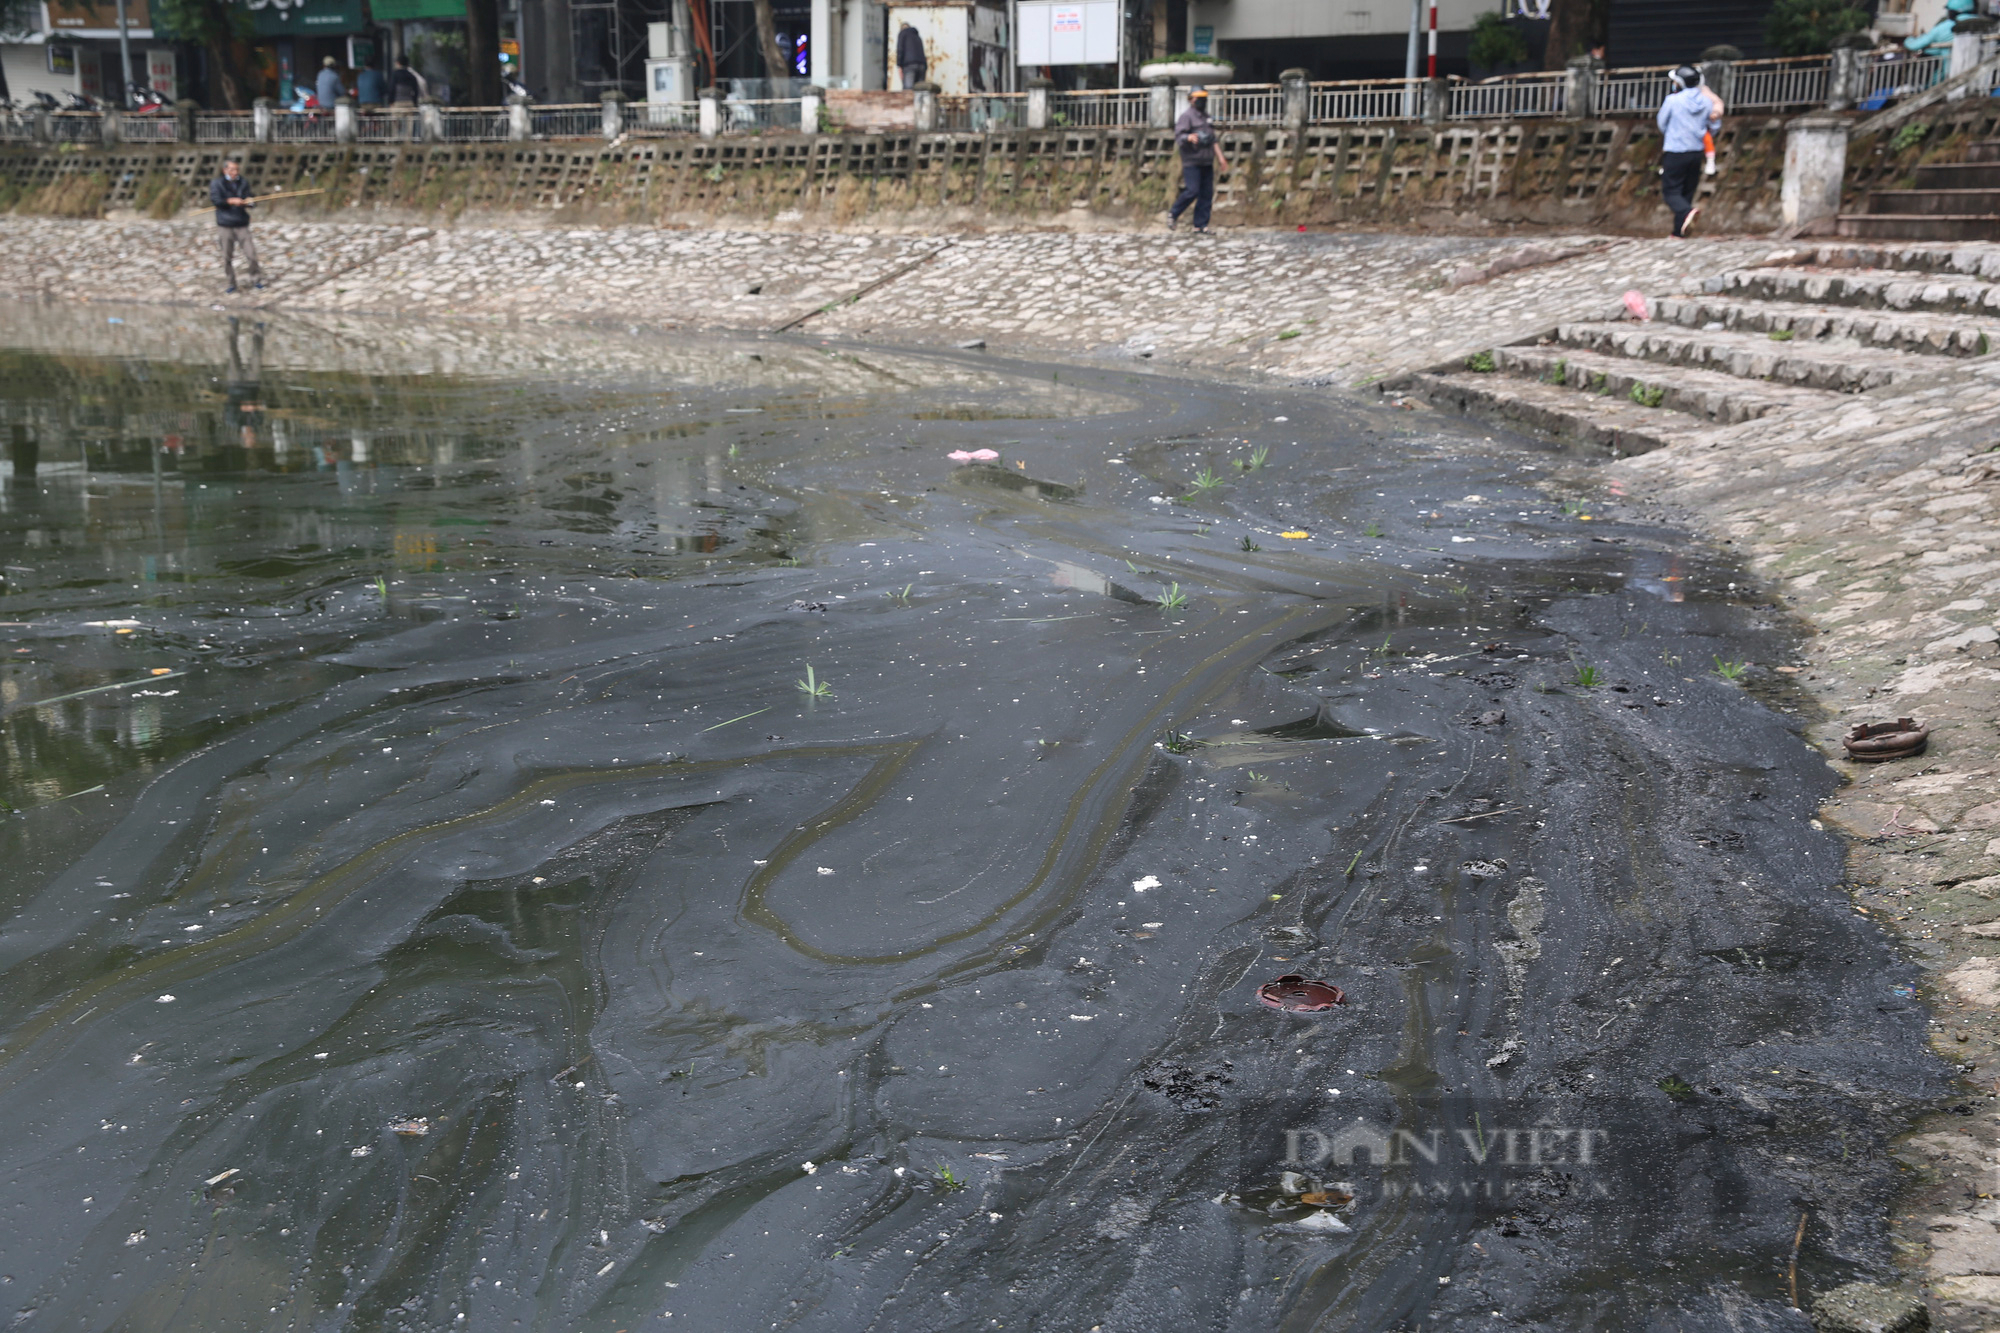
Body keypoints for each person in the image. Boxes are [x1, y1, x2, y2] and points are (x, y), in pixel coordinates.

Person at [1656, 64, 1717, 238]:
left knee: (1671, 192)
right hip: (1696, 152)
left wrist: (1673, 133)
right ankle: (1678, 233)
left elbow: (1662, 123)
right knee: (1686, 191)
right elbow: (1713, 126)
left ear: (1680, 83)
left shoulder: (1672, 101)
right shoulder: (1706, 101)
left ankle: (1686, 211)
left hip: (1675, 151)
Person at [1169, 87, 1228, 233]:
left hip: (1207, 160)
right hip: (1192, 161)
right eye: (1198, 98)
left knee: (1206, 194)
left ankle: (1200, 225)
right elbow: (1179, 136)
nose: (1201, 100)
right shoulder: (1186, 116)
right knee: (1192, 191)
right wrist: (1188, 137)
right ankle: (1173, 213)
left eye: (1203, 97)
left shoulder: (1206, 117)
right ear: (1190, 99)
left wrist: (1221, 158)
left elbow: (1212, 139)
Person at [209, 157, 263, 295]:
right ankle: (231, 283)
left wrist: (250, 202)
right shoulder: (217, 183)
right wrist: (230, 201)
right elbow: (216, 201)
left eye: (237, 169)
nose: (235, 172)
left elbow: (250, 198)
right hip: (225, 225)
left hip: (241, 224)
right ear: (225, 170)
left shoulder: (243, 182)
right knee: (227, 257)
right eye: (232, 169)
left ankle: (255, 280)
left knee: (251, 255)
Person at [896, 22, 927, 90]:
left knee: (908, 89)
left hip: (909, 65)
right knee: (920, 90)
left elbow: (900, 50)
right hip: (922, 65)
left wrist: (899, 65)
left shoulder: (902, 34)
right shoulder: (917, 36)